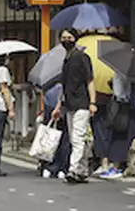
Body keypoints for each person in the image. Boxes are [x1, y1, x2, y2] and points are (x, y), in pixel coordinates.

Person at [51, 29, 97, 184]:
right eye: (63, 37)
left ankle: (73, 169)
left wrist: (92, 102)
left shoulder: (82, 57)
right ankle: (82, 170)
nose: (66, 40)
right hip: (69, 104)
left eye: (69, 37)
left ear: (75, 38)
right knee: (76, 139)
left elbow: (90, 80)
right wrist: (58, 106)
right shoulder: (66, 59)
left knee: (77, 138)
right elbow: (64, 87)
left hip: (82, 103)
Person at [37, 83, 71, 179]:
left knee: (50, 138)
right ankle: (62, 168)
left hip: (49, 105)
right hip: (64, 107)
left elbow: (42, 93)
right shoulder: (65, 76)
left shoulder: (47, 79)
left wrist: (42, 111)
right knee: (65, 139)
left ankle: (48, 167)